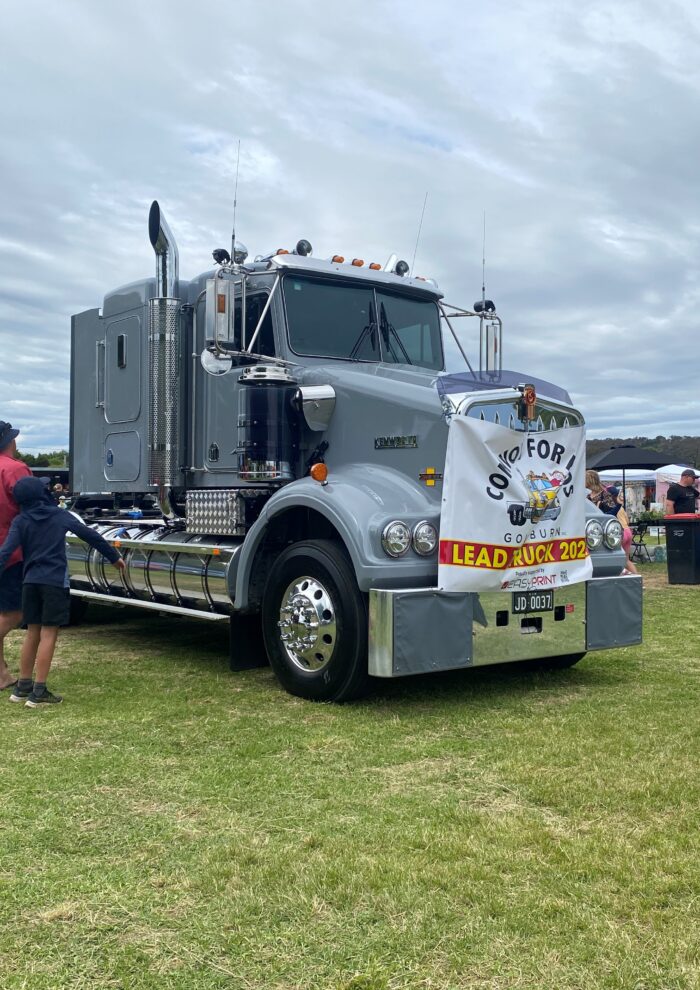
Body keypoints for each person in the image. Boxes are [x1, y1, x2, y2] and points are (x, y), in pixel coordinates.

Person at [0, 476, 126, 707]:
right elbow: (90, 535)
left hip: (29, 581)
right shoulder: (59, 515)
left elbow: (5, 552)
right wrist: (114, 557)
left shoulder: (20, 520)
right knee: (49, 633)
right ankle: (39, 691)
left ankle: (23, 686)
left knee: (32, 632)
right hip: (54, 581)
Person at [0, 420, 32, 691]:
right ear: (9, 441)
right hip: (11, 551)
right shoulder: (15, 469)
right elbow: (32, 510)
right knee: (16, 613)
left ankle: (1, 674)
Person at [585, 469, 638, 575]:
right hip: (617, 530)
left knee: (615, 559)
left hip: (608, 532)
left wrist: (616, 506)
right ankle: (634, 578)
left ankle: (626, 574)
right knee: (625, 560)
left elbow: (611, 515)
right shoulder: (587, 496)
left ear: (589, 480)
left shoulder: (604, 495)